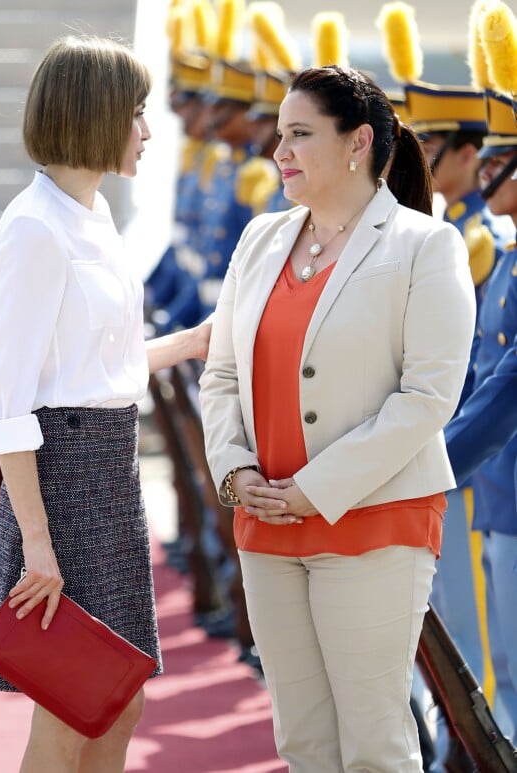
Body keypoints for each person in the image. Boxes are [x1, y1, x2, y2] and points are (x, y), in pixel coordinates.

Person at [198, 65, 476, 772]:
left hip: (373, 522)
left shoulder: (424, 244)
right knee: (304, 743)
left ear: (357, 143)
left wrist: (314, 488)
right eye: (280, 135)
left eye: (300, 135)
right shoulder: (260, 240)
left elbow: (428, 397)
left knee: (375, 745)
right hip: (265, 524)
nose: (279, 151)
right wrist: (234, 471)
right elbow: (222, 374)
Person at [0, 35, 210, 773]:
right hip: (62, 480)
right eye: (137, 112)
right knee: (72, 703)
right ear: (95, 113)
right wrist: (38, 542)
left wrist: (198, 339)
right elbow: (10, 400)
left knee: (118, 695)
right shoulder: (34, 226)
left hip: (108, 470)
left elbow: (97, 368)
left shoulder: (93, 213)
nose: (147, 130)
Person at [444, 86, 517, 747]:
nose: (488, 172)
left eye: (504, 160)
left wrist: (435, 460)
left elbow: (505, 386)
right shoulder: (506, 258)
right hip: (496, 491)